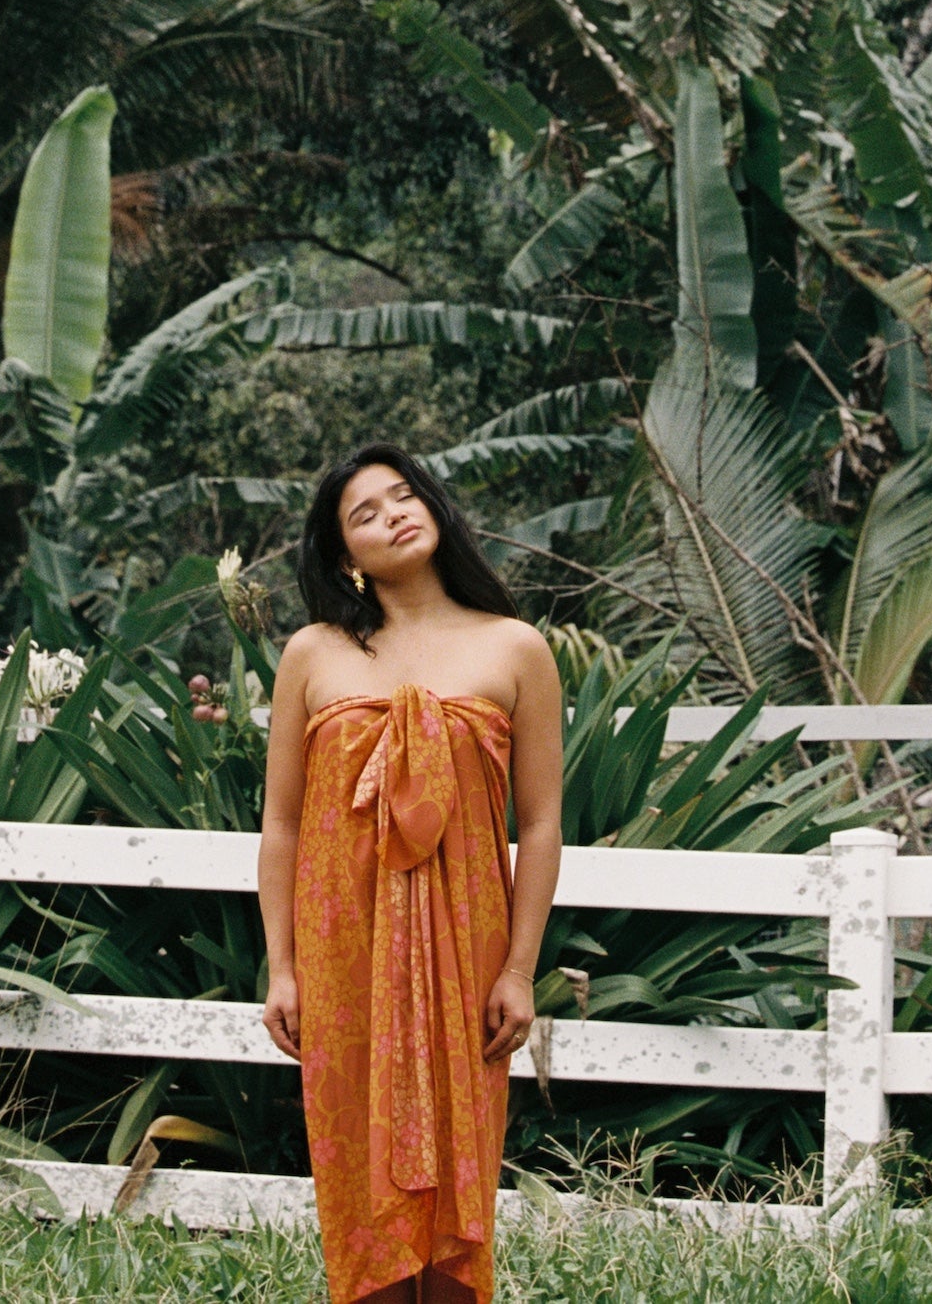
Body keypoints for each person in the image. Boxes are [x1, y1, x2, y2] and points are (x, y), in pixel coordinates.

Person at [258, 440, 564, 1304]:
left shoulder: (515, 648)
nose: (394, 512)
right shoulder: (312, 655)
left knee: (461, 1178)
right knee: (358, 1177)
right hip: (341, 950)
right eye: (365, 512)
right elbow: (280, 824)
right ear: (343, 556)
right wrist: (283, 967)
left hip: (469, 952)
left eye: (403, 495)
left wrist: (519, 971)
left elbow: (540, 825)